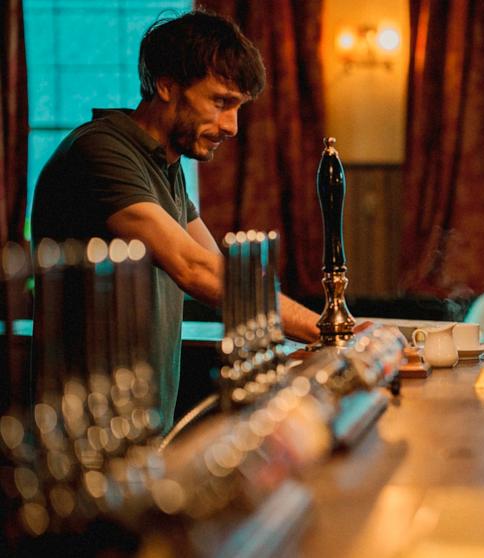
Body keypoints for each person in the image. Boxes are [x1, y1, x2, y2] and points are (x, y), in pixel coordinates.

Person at [30, 10, 320, 431]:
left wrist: (317, 327)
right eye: (220, 102)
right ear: (165, 84)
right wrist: (322, 327)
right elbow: (194, 268)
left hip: (140, 426)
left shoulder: (164, 164)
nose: (232, 127)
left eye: (237, 107)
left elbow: (221, 266)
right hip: (85, 434)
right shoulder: (100, 152)